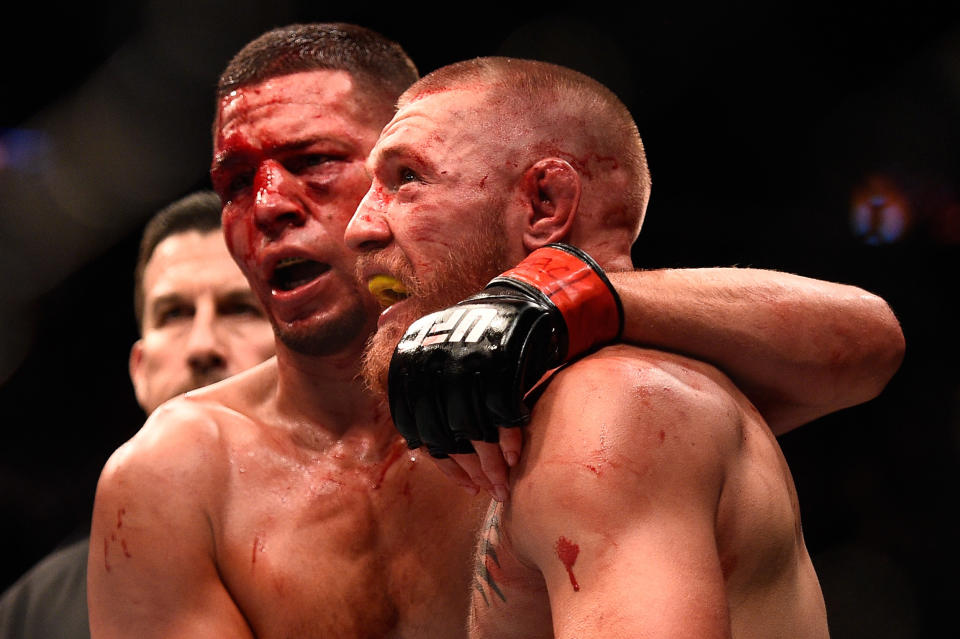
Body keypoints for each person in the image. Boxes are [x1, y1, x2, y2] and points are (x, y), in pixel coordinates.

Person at [87, 23, 903, 638]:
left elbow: (870, 342)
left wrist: (572, 290)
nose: (268, 207)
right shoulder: (178, 474)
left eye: (318, 163)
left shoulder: (603, 396)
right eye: (235, 182)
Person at [342, 56, 883, 637]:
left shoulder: (613, 402)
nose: (359, 226)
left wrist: (557, 289)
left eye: (407, 179)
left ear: (544, 204)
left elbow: (873, 341)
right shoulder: (578, 403)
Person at [0, 190, 274, 639]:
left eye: (239, 308)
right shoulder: (31, 614)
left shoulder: (381, 559)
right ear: (140, 369)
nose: (202, 345)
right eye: (174, 313)